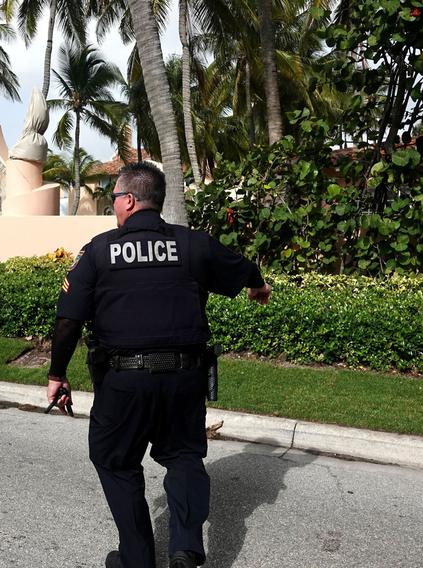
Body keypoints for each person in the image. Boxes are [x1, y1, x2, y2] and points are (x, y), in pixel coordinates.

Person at [46, 162, 270, 568]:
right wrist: (258, 286)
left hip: (123, 382)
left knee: (116, 461)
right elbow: (242, 266)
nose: (113, 205)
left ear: (129, 200)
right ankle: (184, 548)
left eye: (114, 197)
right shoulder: (192, 244)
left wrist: (57, 375)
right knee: (183, 455)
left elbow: (68, 322)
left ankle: (137, 559)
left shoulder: (99, 251)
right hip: (185, 378)